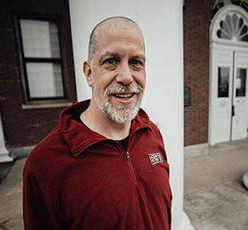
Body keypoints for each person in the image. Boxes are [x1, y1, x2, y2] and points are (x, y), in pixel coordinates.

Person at [23, 16, 172, 230]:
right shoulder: (45, 164)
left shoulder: (152, 134)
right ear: (89, 72)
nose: (126, 77)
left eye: (136, 62)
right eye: (111, 61)